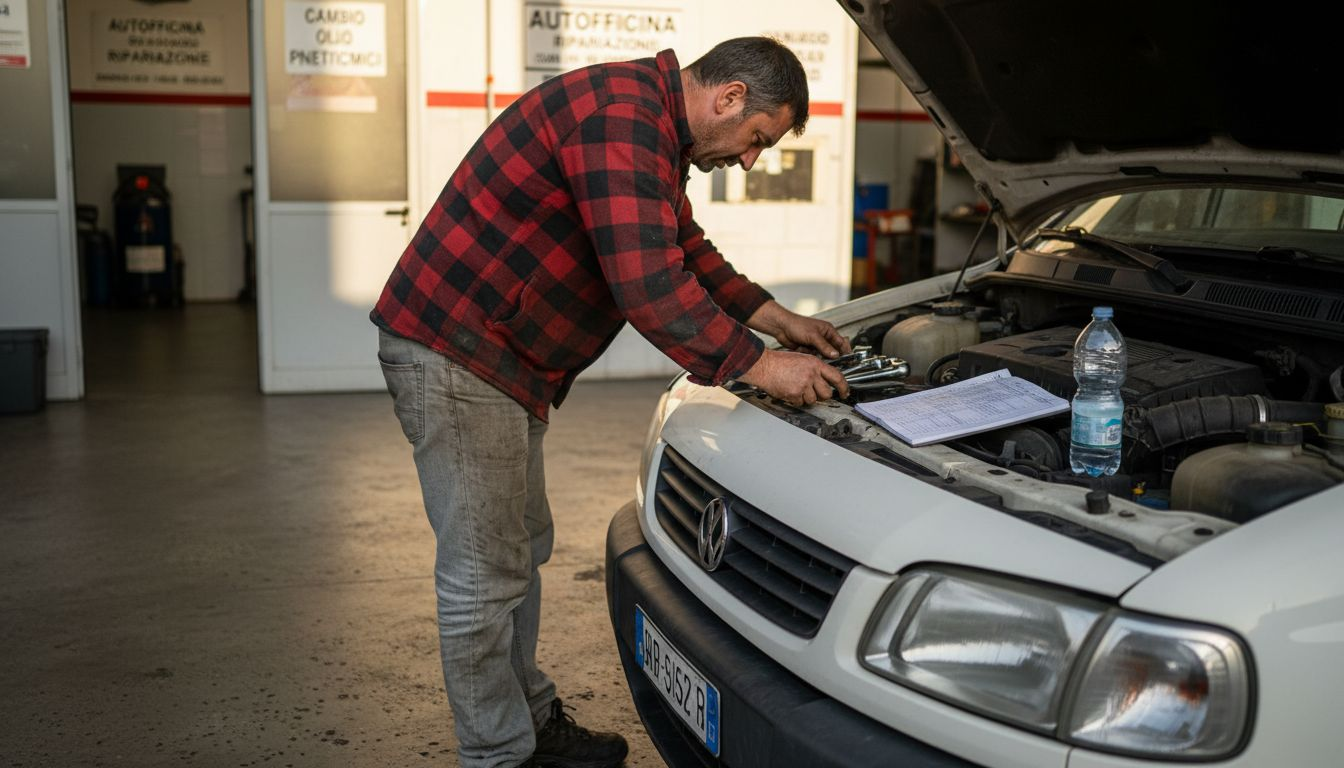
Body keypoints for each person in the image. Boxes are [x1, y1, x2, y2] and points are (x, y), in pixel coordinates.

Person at [370, 36, 850, 768]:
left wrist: (774, 318)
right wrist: (763, 367)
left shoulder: (647, 128)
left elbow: (683, 246)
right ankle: (498, 757)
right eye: (757, 139)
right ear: (728, 98)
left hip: (502, 360)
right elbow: (652, 286)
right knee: (480, 573)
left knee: (518, 549)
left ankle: (527, 723)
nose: (750, 160)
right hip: (459, 352)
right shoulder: (620, 119)